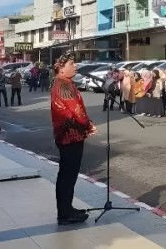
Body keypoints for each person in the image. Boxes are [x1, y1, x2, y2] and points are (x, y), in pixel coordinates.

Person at [50, 53, 96, 225]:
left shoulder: (62, 83)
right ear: (61, 68)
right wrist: (88, 125)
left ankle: (66, 209)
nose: (75, 66)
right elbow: (77, 112)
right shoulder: (65, 86)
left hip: (68, 135)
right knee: (68, 175)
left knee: (67, 174)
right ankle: (65, 213)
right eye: (71, 63)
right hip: (70, 135)